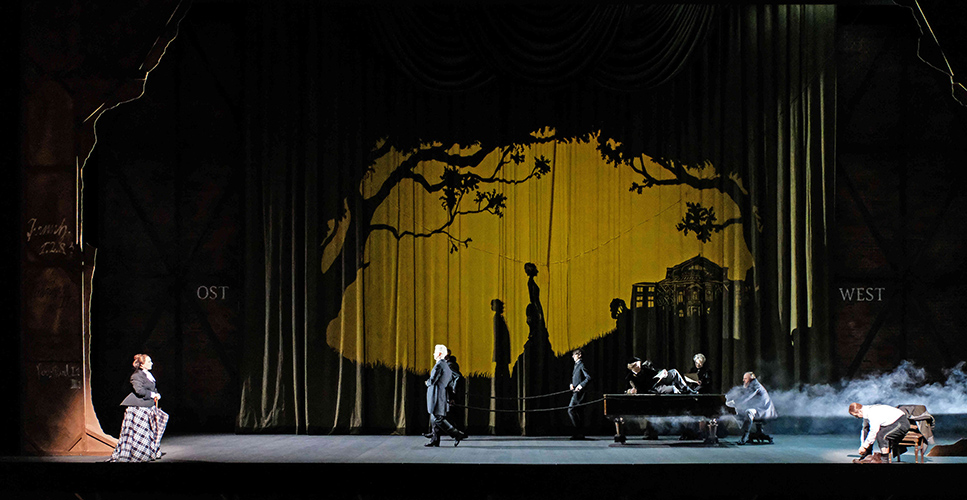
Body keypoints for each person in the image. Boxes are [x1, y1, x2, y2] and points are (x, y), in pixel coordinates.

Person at [109, 354, 169, 462]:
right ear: (141, 364)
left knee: (149, 431)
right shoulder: (136, 375)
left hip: (147, 407)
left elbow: (152, 388)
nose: (152, 363)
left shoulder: (147, 374)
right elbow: (139, 391)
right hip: (137, 408)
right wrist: (152, 395)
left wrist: (156, 394)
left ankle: (149, 452)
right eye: (149, 362)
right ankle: (138, 454)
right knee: (139, 433)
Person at [425, 344, 467, 447]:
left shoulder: (441, 365)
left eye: (435, 352)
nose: (433, 354)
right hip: (441, 392)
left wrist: (427, 382)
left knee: (437, 417)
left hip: (436, 393)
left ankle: (456, 434)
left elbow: (433, 380)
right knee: (434, 417)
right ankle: (435, 439)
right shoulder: (445, 365)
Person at [727, 371, 777, 445]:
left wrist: (735, 403)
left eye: (745, 378)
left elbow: (749, 396)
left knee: (749, 412)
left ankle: (744, 438)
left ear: (751, 379)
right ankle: (753, 431)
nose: (743, 380)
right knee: (740, 411)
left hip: (764, 410)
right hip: (759, 409)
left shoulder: (756, 385)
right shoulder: (752, 385)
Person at [625, 357, 695, 394]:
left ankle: (687, 390)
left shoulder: (644, 368)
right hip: (654, 388)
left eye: (639, 364)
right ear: (632, 367)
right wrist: (630, 391)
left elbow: (654, 372)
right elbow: (646, 387)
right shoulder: (630, 377)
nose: (639, 367)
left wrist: (662, 372)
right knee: (673, 388)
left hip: (660, 380)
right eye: (636, 366)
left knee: (674, 372)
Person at [568, 348, 591, 439]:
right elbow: (574, 377)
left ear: (579, 355)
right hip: (575, 391)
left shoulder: (582, 364)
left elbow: (588, 378)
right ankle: (579, 433)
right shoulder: (576, 365)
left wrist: (580, 386)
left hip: (579, 393)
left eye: (574, 355)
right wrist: (571, 384)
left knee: (571, 410)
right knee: (578, 412)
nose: (573, 357)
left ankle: (577, 432)